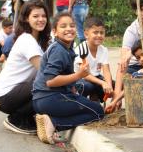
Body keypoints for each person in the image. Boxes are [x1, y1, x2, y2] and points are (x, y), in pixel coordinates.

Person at [32, 12, 104, 144]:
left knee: (83, 88)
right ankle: (54, 123)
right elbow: (51, 81)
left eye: (72, 25)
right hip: (50, 98)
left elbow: (63, 76)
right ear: (55, 31)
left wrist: (72, 88)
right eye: (63, 26)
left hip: (42, 99)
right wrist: (79, 75)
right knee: (98, 111)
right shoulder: (59, 50)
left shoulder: (65, 47)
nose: (69, 29)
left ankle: (50, 118)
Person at [0, 0, 51, 134]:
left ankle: (26, 116)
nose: (41, 19)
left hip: (19, 91)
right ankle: (17, 118)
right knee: (48, 84)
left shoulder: (40, 39)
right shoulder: (27, 40)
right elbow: (46, 71)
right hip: (7, 95)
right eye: (35, 16)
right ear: (26, 19)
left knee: (49, 83)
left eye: (43, 16)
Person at [74, 17, 113, 102]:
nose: (99, 35)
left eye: (102, 33)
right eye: (95, 32)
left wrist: (109, 85)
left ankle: (95, 98)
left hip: (96, 77)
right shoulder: (81, 49)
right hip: (81, 78)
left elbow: (106, 71)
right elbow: (85, 75)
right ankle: (80, 103)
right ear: (86, 34)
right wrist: (103, 83)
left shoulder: (103, 50)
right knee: (87, 86)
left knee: (114, 84)